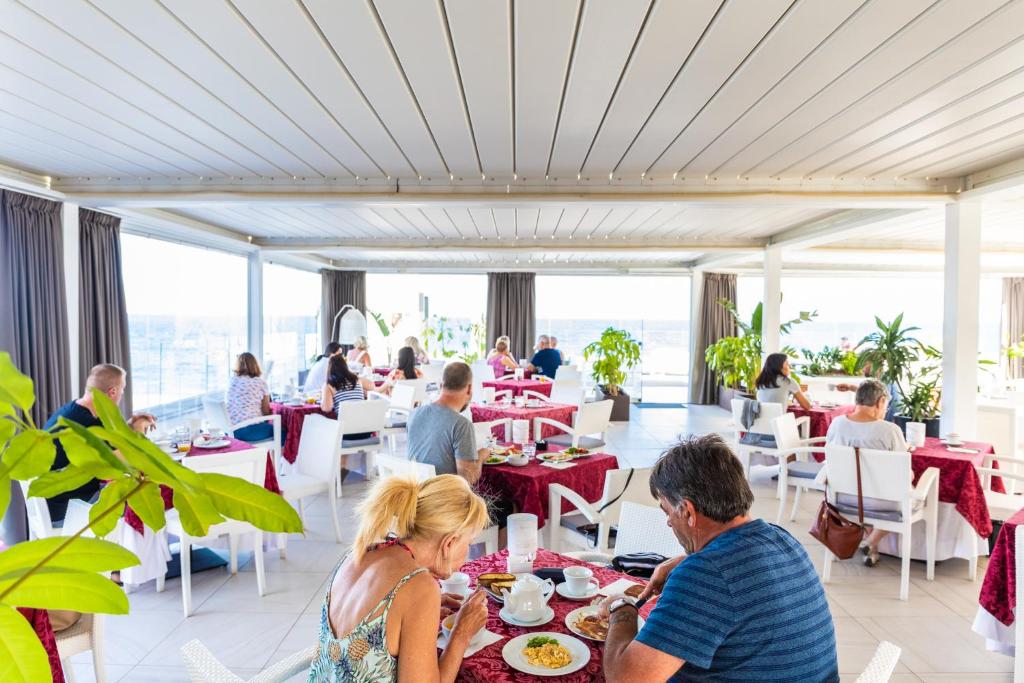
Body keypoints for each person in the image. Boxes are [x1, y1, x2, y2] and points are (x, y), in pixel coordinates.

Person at [600, 434, 839, 683]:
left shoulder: (706, 574)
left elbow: (625, 679)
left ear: (688, 512)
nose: (668, 522)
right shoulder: (781, 538)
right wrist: (687, 560)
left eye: (667, 511)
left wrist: (622, 608)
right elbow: (735, 573)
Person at [307, 474, 490, 682]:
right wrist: (461, 634)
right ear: (450, 542)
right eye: (469, 543)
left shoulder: (360, 552)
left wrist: (418, 614)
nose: (467, 553)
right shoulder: (419, 586)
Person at [42, 363, 156, 522]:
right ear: (112, 392)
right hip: (68, 510)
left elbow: (109, 444)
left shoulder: (73, 411)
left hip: (53, 503)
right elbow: (131, 461)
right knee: (143, 498)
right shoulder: (90, 424)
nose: (122, 395)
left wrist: (130, 426)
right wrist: (139, 429)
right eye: (122, 389)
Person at [825, 378, 910, 567]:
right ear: (880, 401)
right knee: (907, 495)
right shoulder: (890, 430)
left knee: (867, 487)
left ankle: (872, 549)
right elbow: (903, 474)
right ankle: (870, 541)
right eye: (886, 406)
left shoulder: (837, 424)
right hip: (880, 503)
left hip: (841, 499)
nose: (885, 410)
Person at [406, 363, 488, 483]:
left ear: (441, 385)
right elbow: (468, 479)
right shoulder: (461, 425)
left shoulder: (414, 413)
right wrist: (481, 455)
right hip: (443, 493)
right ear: (469, 388)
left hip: (415, 490)